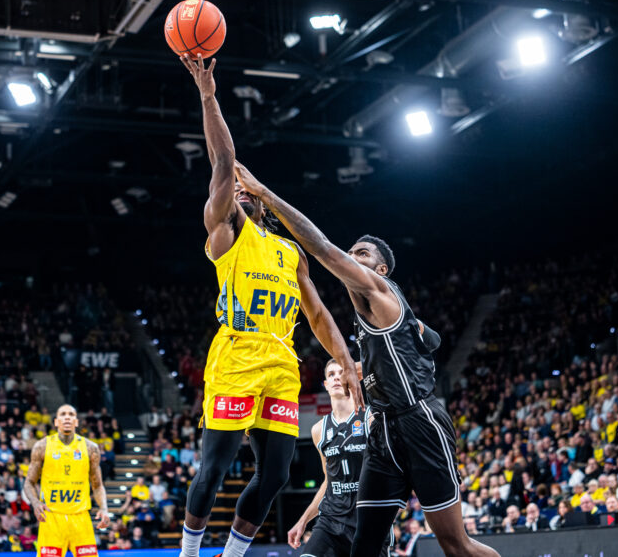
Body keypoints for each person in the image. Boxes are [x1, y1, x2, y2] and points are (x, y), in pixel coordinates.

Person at [233, 162, 497, 557]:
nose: (352, 256)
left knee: (456, 545)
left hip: (419, 422)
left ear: (380, 269)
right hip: (383, 431)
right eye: (352, 251)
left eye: (361, 253)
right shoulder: (373, 316)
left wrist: (264, 195)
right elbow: (432, 339)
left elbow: (321, 247)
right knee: (365, 546)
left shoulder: (379, 289)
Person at [177, 55, 361, 557]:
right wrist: (209, 95)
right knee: (214, 468)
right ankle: (189, 553)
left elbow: (318, 314)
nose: (238, 191)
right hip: (237, 355)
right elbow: (223, 162)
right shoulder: (226, 233)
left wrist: (345, 360)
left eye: (245, 189)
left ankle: (232, 555)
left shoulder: (289, 251)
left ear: (260, 200)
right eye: (233, 190)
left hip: (281, 361)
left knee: (276, 474)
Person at [287, 360, 388, 557]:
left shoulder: (371, 419)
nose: (336, 378)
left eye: (341, 373)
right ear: (325, 384)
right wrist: (303, 521)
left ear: (351, 379)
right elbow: (328, 481)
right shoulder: (318, 430)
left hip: (368, 519)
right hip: (331, 521)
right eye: (331, 374)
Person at [23, 404, 111, 557]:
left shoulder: (91, 448)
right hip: (51, 517)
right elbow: (29, 482)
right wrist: (36, 503)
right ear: (56, 422)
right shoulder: (41, 446)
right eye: (63, 414)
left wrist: (104, 508)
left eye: (71, 415)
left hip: (80, 517)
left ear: (76, 422)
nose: (67, 418)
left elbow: (97, 486)